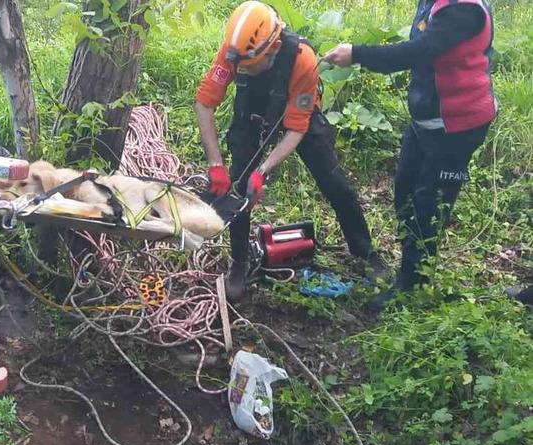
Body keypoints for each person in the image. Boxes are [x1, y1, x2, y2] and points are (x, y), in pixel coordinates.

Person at [195, 1, 385, 298]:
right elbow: (205, 103)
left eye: (250, 65)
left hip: (300, 116)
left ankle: (365, 253)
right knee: (239, 187)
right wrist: (215, 163)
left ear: (271, 48)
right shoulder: (235, 51)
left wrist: (264, 170)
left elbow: (297, 128)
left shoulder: (302, 60)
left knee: (336, 185)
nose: (243, 69)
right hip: (254, 112)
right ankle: (240, 262)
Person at [325, 0, 495, 309]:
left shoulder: (464, 9)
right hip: (425, 122)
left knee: (428, 205)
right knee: (404, 190)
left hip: (457, 125)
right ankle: (411, 262)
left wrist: (358, 54)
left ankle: (411, 286)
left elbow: (419, 50)